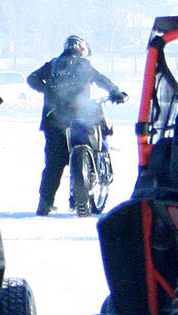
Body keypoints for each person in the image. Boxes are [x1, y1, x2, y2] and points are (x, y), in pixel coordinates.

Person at [28, 35, 126, 215]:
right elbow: (102, 80)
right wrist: (116, 92)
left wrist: (48, 89)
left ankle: (45, 203)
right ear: (82, 49)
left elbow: (31, 78)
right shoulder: (83, 64)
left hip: (52, 118)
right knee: (85, 147)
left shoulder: (52, 64)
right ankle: (79, 195)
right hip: (78, 116)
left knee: (53, 163)